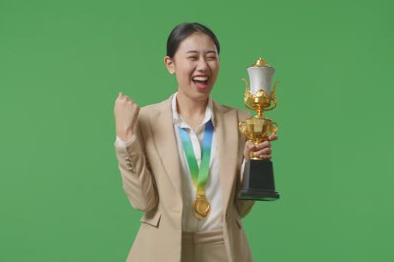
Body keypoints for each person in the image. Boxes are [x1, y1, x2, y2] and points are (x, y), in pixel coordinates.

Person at [113, 22, 277, 262]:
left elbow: (240, 209)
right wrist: (125, 137)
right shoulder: (146, 119)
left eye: (211, 57)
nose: (203, 66)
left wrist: (251, 162)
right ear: (170, 64)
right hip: (163, 250)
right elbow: (142, 201)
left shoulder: (242, 122)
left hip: (224, 247)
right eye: (193, 57)